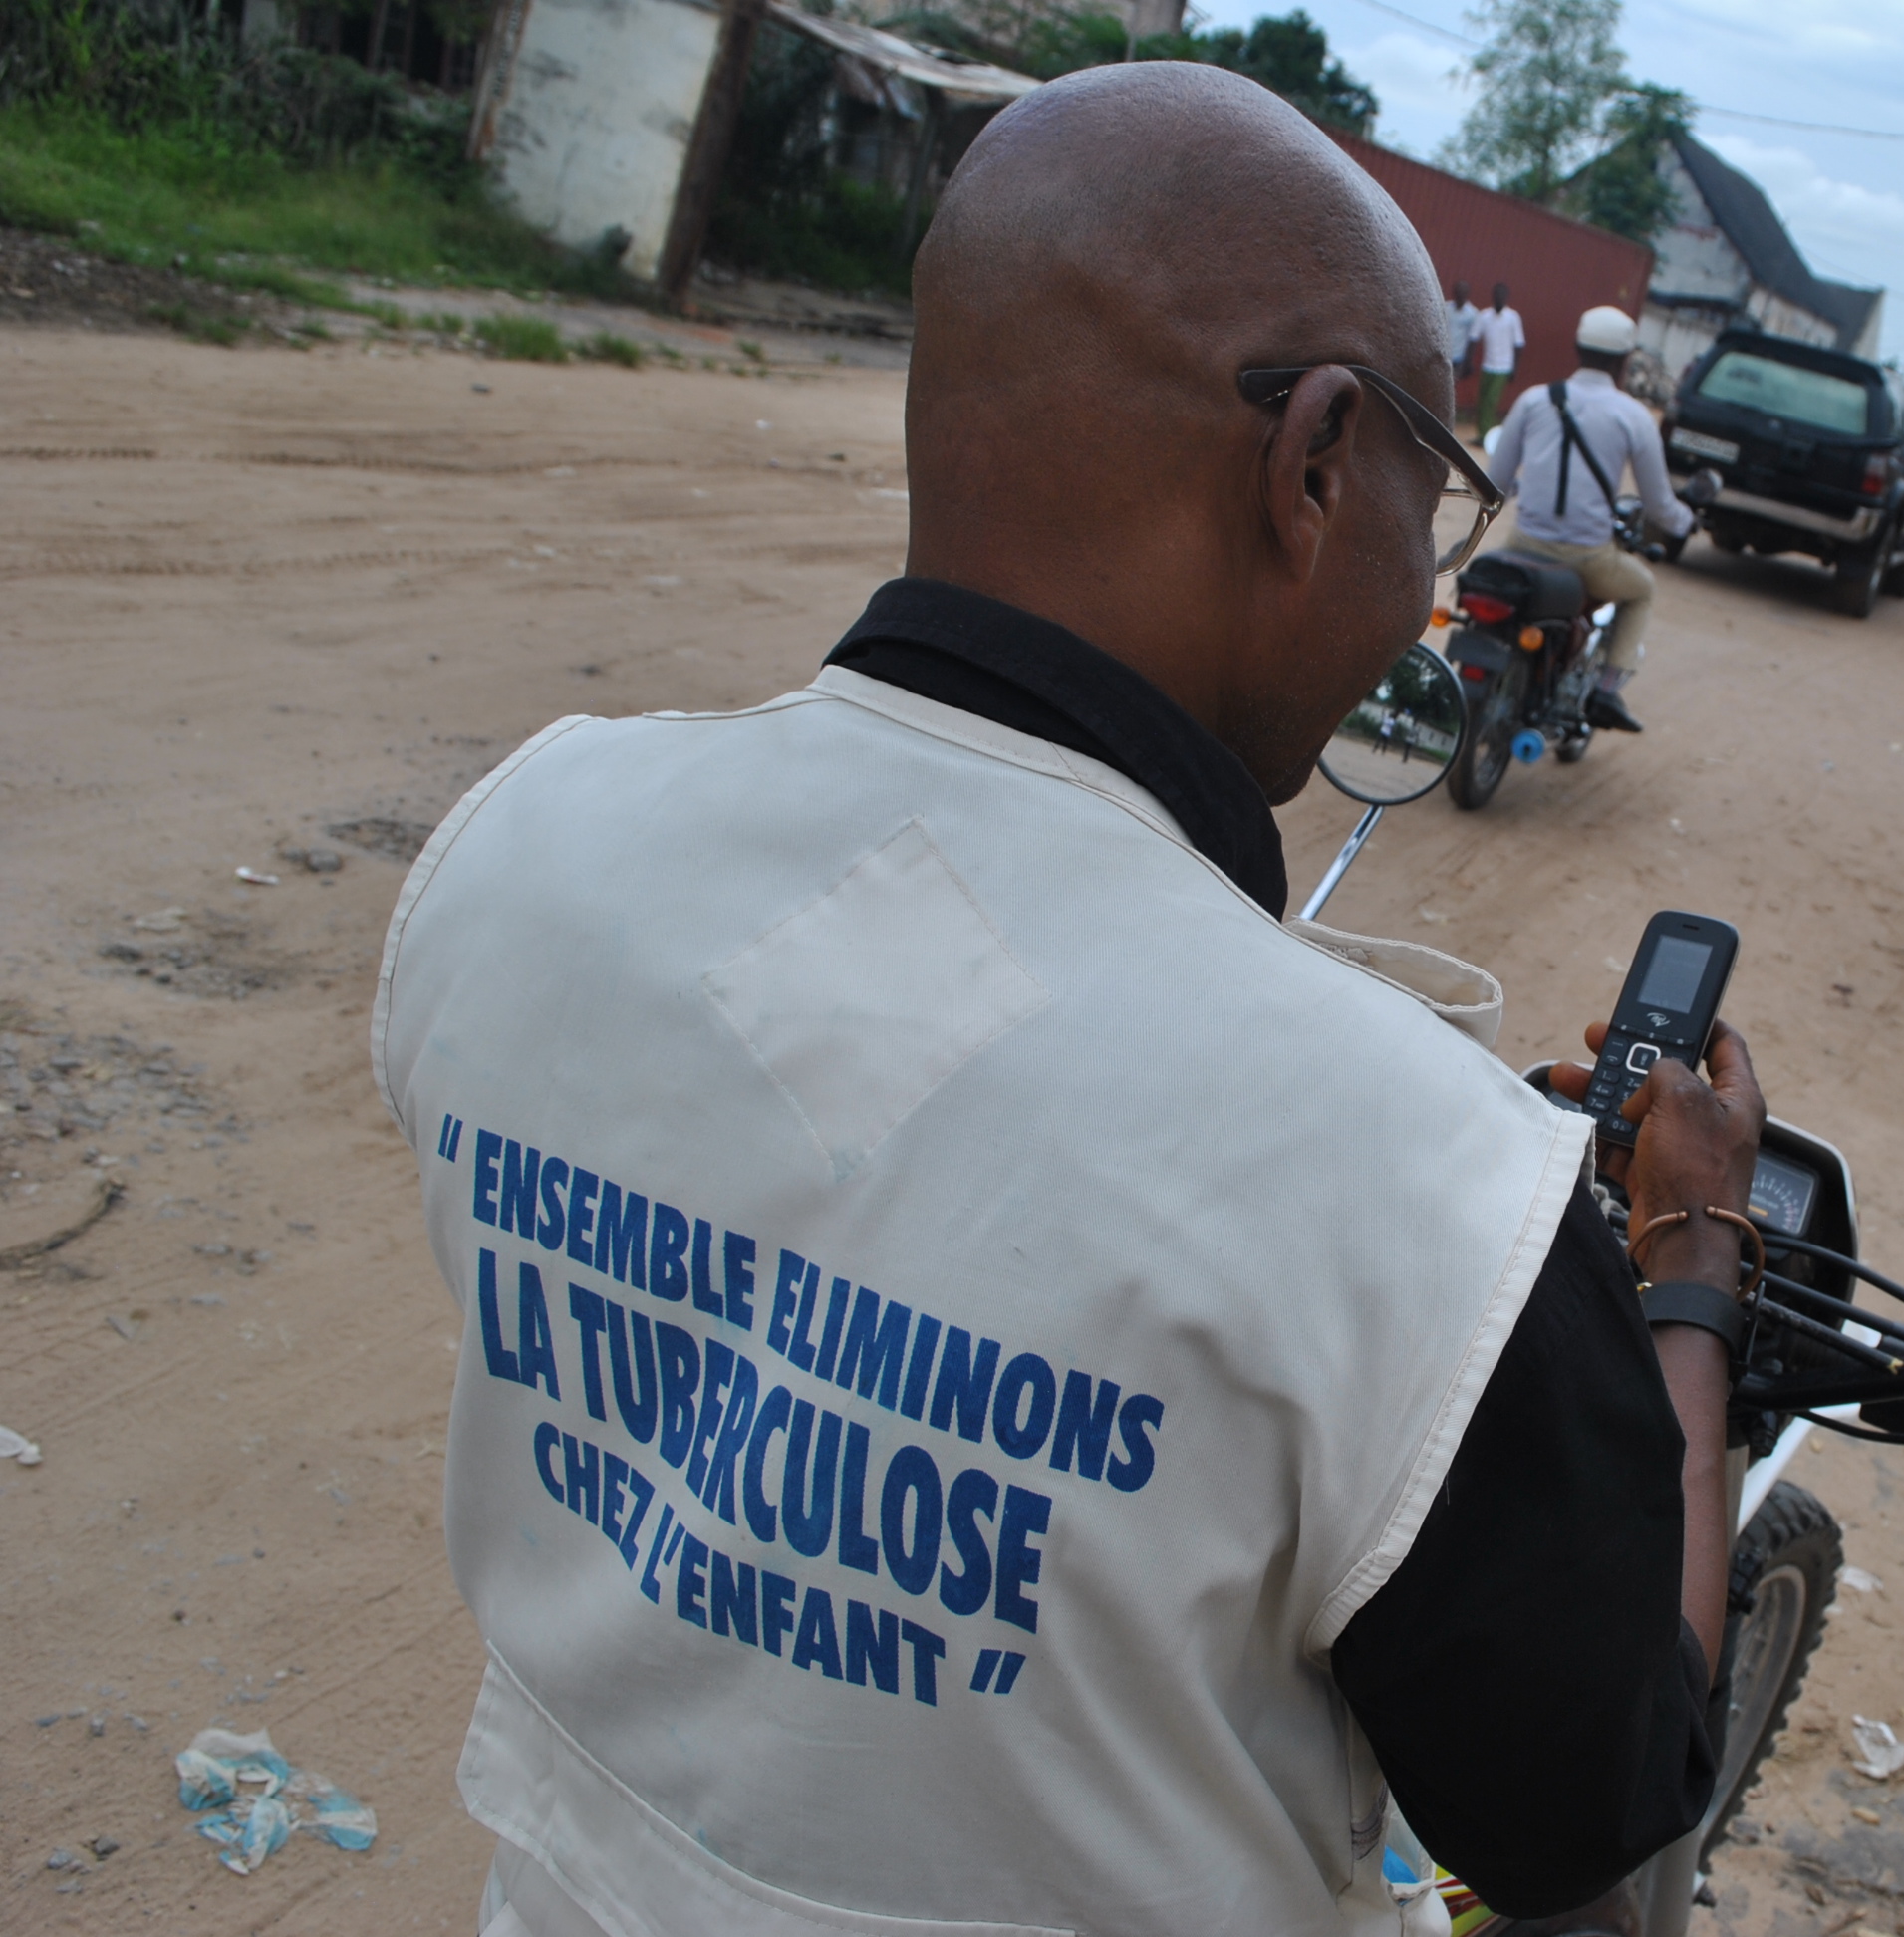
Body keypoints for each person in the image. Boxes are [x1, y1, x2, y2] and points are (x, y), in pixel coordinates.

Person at [373, 61, 1765, 1937]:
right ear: (1317, 462)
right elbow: (1593, 1833)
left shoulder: (524, 840)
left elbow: (857, 1165)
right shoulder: (1425, 1190)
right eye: (1430, 492)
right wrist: (1683, 1262)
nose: (1420, 573)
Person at [1484, 304, 1695, 734]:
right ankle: (1606, 689)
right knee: (1641, 590)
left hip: (1523, 547)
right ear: (1623, 360)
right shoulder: (1633, 416)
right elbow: (1659, 506)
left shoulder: (1533, 400)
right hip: (1587, 558)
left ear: (1578, 348)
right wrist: (1684, 522)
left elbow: (1495, 484)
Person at [1472, 282, 1524, 433]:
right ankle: (1481, 433)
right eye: (1497, 295)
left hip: (1503, 366)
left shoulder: (1513, 317)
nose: (1499, 298)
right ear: (1493, 296)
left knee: (1491, 401)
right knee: (1481, 401)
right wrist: (1469, 361)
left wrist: (1515, 367)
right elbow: (1473, 338)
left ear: (1507, 298)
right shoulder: (1484, 315)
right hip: (1487, 365)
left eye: (1502, 295)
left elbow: (1519, 344)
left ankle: (1486, 433)